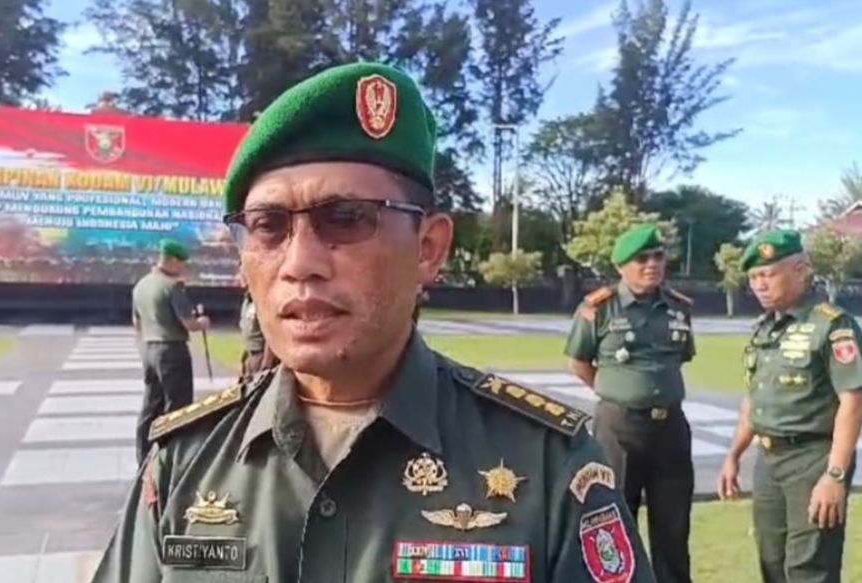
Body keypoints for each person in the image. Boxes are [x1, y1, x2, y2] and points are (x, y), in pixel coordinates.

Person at [92, 62, 654, 583]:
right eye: (268, 226)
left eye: (345, 219)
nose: (299, 263)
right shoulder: (184, 463)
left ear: (428, 248)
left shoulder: (549, 465)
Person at [716, 229, 862, 583]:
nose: (759, 285)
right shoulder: (766, 328)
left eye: (767, 274)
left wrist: (834, 475)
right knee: (772, 562)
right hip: (768, 460)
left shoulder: (831, 325)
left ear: (799, 270)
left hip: (812, 459)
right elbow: (756, 398)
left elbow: (853, 402)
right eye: (753, 277)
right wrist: (734, 454)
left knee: (809, 568)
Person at [564, 223, 696, 583]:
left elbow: (679, 358)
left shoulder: (679, 308)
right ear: (622, 266)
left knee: (674, 526)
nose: (652, 264)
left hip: (670, 428)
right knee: (616, 521)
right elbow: (578, 362)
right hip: (619, 428)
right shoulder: (599, 308)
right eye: (642, 259)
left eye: (658, 256)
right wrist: (617, 390)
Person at [130, 239, 211, 466]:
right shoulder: (172, 287)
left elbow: (136, 323)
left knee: (151, 404)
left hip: (149, 348)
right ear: (172, 260)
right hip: (172, 349)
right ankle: (173, 458)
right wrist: (203, 322)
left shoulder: (141, 285)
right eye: (182, 263)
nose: (183, 268)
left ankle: (144, 456)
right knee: (178, 407)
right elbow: (189, 324)